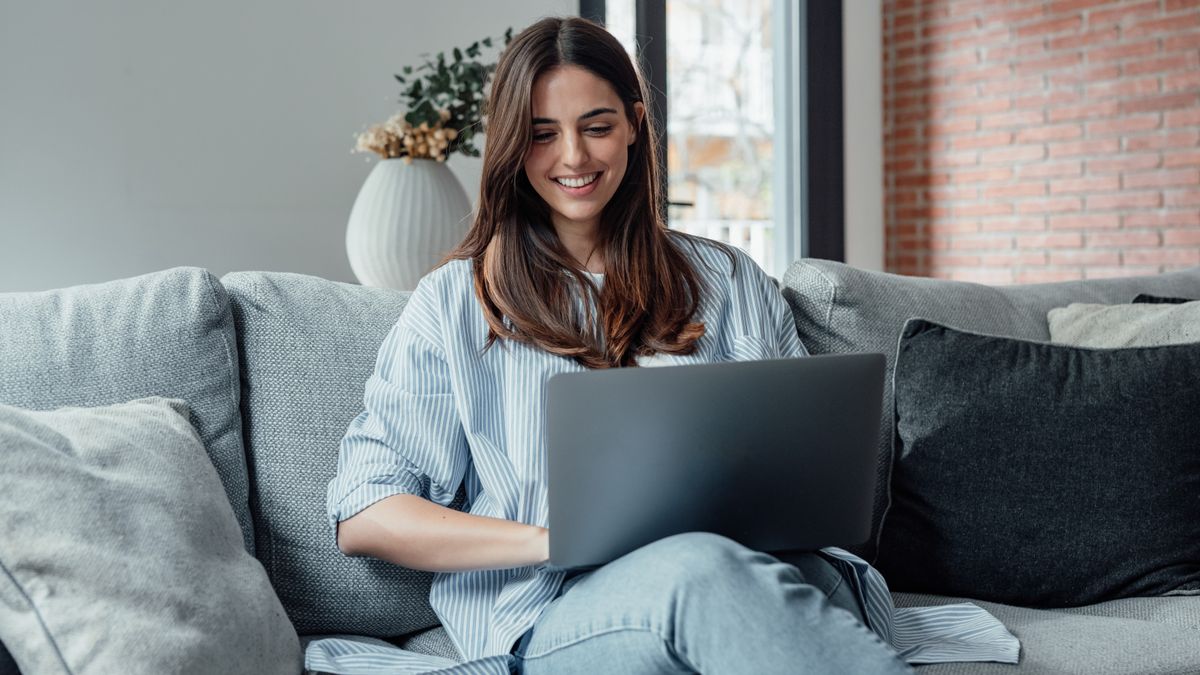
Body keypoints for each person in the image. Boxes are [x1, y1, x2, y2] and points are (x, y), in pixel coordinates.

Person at [306, 16, 1018, 675]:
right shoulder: (455, 303)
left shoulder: (727, 277)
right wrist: (551, 538)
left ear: (635, 127)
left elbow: (806, 466)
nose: (574, 155)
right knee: (696, 570)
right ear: (511, 145)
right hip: (560, 607)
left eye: (597, 125)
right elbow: (368, 514)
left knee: (758, 571)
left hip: (761, 570)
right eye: (543, 132)